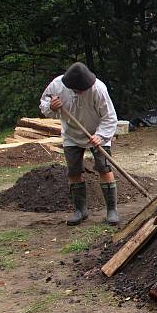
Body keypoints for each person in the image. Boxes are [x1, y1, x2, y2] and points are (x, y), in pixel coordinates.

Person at [39, 62, 119, 225]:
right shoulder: (57, 85)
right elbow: (44, 104)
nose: (82, 92)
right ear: (71, 86)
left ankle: (111, 210)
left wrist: (101, 136)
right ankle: (80, 210)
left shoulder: (98, 89)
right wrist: (52, 107)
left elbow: (110, 118)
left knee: (104, 168)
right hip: (71, 134)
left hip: (97, 133)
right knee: (74, 172)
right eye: (79, 90)